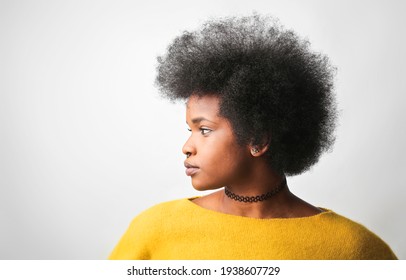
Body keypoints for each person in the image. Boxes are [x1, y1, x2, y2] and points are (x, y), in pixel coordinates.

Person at [109, 14, 397, 260]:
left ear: (257, 140)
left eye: (204, 130)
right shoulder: (155, 229)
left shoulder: (351, 248)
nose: (187, 147)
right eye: (190, 130)